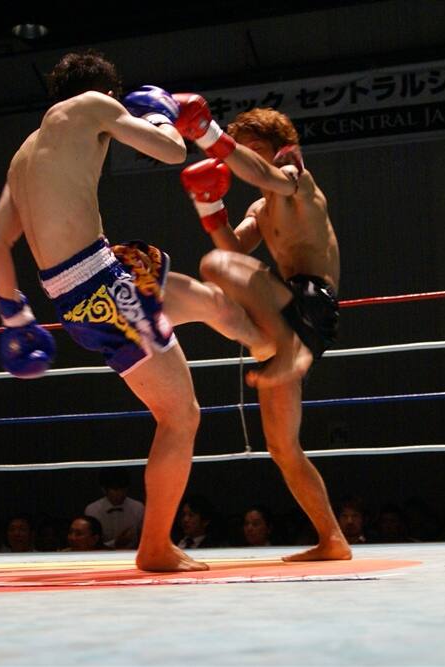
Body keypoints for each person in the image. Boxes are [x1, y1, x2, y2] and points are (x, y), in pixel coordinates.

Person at [0, 51, 235, 572]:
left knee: (197, 298)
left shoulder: (23, 155)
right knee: (181, 416)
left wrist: (15, 316)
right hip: (105, 287)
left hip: (75, 298)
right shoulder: (92, 106)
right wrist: (160, 114)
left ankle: (263, 336)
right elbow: (171, 151)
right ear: (105, 93)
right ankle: (156, 547)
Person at [172, 99, 350, 562]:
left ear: (278, 148)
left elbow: (262, 176)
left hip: (310, 302)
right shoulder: (259, 206)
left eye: (254, 148)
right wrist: (209, 205)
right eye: (242, 147)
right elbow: (235, 249)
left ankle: (283, 347)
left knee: (214, 267)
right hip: (286, 315)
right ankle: (332, 539)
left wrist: (209, 134)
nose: (244, 156)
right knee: (281, 446)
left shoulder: (296, 180)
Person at [84, 468, 145, 549]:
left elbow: (144, 538)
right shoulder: (92, 510)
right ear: (104, 490)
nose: (121, 493)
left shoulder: (138, 507)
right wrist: (115, 543)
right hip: (102, 554)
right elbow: (90, 543)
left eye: (123, 489)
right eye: (116, 490)